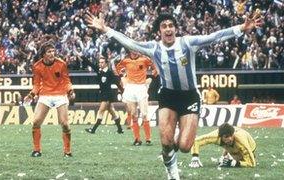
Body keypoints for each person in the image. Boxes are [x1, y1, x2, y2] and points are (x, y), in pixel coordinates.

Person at [85, 9, 262, 179]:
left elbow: (214, 37)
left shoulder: (187, 43)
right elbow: (129, 42)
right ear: (159, 31)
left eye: (171, 25)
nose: (168, 29)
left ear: (175, 29)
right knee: (165, 140)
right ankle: (172, 171)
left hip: (190, 96)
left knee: (185, 146)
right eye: (164, 26)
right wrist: (106, 29)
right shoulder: (153, 48)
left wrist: (241, 28)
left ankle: (170, 154)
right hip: (168, 96)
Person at [24, 42, 75, 158]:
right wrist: (31, 95)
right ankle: (37, 150)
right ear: (43, 54)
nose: (52, 54)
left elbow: (66, 81)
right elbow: (36, 85)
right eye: (49, 52)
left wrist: (70, 91)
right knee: (36, 122)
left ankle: (67, 151)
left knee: (65, 124)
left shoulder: (61, 64)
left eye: (53, 51)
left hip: (60, 94)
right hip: (45, 95)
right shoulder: (37, 66)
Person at [115, 51, 157, 146]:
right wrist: (122, 77)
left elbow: (156, 67)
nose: (134, 51)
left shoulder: (145, 59)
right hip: (130, 88)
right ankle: (137, 139)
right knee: (133, 114)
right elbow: (117, 69)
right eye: (132, 49)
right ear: (130, 51)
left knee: (144, 113)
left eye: (136, 49)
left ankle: (148, 138)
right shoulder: (125, 61)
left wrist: (152, 76)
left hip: (141, 87)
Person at [80, 55, 124, 134]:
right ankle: (120, 129)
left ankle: (93, 129)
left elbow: (117, 82)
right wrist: (83, 57)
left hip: (107, 95)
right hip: (103, 94)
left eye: (102, 62)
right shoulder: (99, 70)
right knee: (112, 112)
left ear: (106, 63)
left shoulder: (109, 73)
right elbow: (90, 64)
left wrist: (122, 92)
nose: (100, 64)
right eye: (99, 62)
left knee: (100, 111)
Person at [189, 123, 256, 168]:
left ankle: (230, 157)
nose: (229, 138)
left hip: (250, 146)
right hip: (231, 147)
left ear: (233, 134)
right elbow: (196, 141)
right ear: (220, 136)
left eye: (231, 135)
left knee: (238, 160)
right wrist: (195, 157)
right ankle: (225, 156)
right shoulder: (215, 136)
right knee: (227, 159)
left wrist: (235, 163)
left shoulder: (241, 141)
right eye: (226, 136)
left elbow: (252, 164)